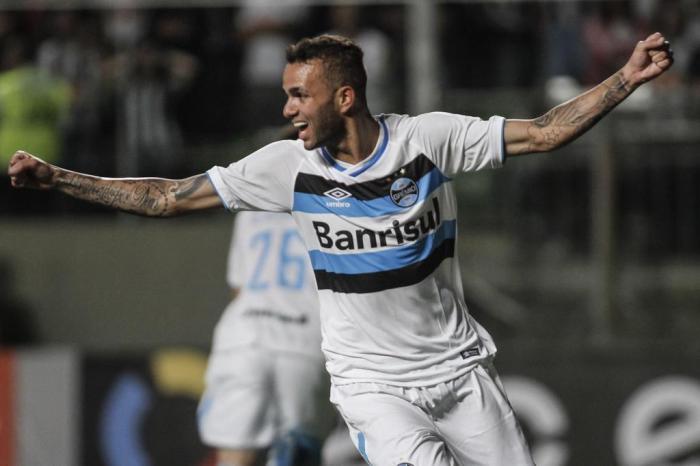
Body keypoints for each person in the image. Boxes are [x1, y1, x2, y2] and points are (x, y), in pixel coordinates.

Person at [8, 32, 673, 465]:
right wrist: (60, 177)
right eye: (286, 96)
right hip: (372, 384)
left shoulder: (428, 141)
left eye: (300, 96)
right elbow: (166, 196)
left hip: (462, 368)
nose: (289, 110)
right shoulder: (284, 167)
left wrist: (627, 78)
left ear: (345, 97)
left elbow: (546, 133)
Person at [197, 211, 332, 466]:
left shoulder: (251, 204)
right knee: (299, 450)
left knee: (233, 454)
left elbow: (238, 287)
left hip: (244, 335)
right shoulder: (331, 200)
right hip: (305, 339)